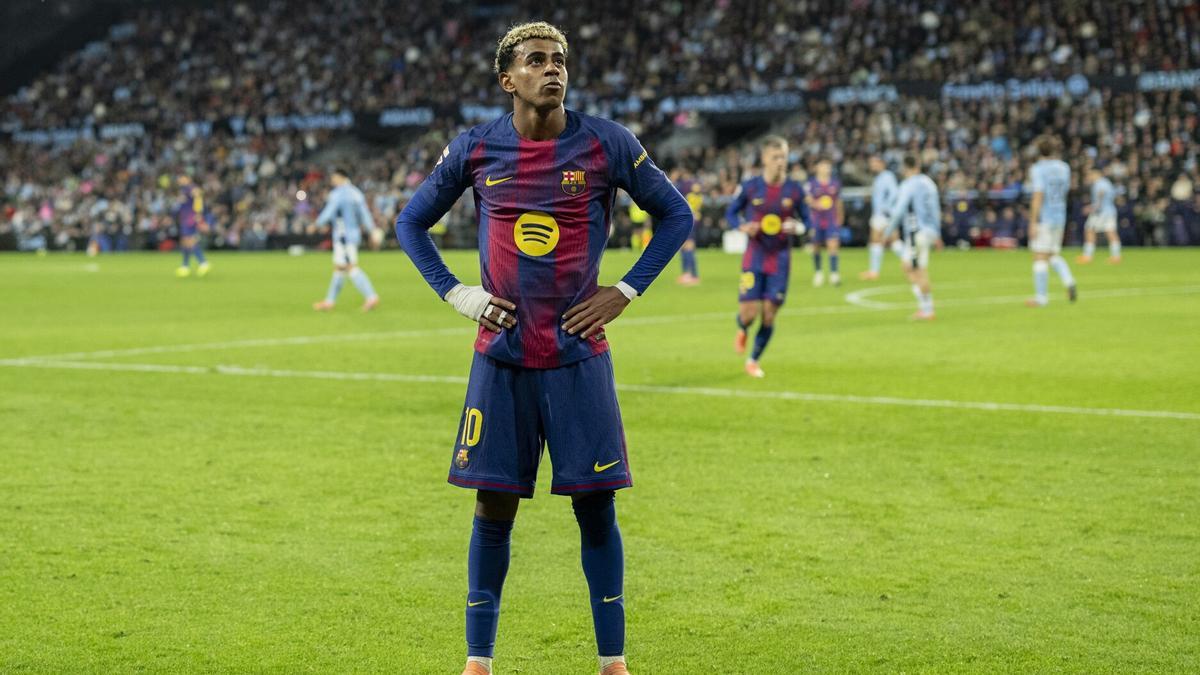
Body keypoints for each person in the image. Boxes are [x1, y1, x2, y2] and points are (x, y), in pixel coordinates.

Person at [394, 22, 690, 675]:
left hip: (579, 355)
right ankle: (479, 659)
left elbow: (677, 215)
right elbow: (410, 221)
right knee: (493, 504)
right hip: (501, 357)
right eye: (535, 60)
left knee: (596, 505)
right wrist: (457, 294)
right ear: (509, 79)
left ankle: (613, 661)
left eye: (558, 59)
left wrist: (627, 290)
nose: (551, 69)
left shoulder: (606, 143)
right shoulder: (476, 149)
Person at [725, 135, 807, 377]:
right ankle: (742, 328)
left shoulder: (794, 189)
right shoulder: (751, 187)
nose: (781, 161)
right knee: (749, 314)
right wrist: (742, 226)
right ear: (764, 159)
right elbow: (731, 213)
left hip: (780, 259)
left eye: (784, 156)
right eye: (775, 157)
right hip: (754, 256)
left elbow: (808, 221)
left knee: (770, 314)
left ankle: (753, 360)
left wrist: (798, 227)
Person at [311, 168, 383, 312]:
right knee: (339, 268)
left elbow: (329, 211)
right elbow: (365, 215)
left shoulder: (338, 194)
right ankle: (329, 301)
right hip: (352, 234)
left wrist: (316, 224)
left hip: (344, 236)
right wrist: (372, 230)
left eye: (334, 178)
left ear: (340, 177)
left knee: (351, 267)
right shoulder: (356, 193)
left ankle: (371, 297)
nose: (332, 181)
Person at [1026, 137, 1077, 307]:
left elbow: (1038, 195)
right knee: (1052, 254)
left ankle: (1041, 298)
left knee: (1039, 256)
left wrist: (1033, 222)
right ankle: (1069, 280)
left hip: (1045, 218)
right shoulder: (1064, 168)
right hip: (1060, 216)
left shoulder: (1038, 169)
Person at [888, 155, 941, 320]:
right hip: (929, 231)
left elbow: (899, 210)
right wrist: (937, 233)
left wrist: (887, 232)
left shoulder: (908, 184)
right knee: (908, 266)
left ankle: (927, 309)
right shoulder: (929, 183)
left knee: (918, 270)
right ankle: (925, 306)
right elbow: (935, 208)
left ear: (905, 168)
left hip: (917, 232)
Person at [805, 158, 843, 286]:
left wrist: (840, 217)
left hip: (831, 219)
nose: (826, 168)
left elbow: (838, 202)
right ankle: (818, 273)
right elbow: (807, 199)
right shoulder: (811, 183)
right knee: (816, 246)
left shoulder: (835, 183)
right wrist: (816, 204)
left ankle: (834, 274)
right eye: (823, 166)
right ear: (817, 168)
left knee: (833, 246)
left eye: (828, 166)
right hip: (816, 220)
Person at [860, 154, 898, 280]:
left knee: (876, 241)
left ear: (882, 163)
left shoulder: (887, 176)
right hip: (882, 214)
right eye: (871, 163)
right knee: (893, 242)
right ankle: (911, 263)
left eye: (875, 163)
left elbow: (894, 194)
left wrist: (885, 209)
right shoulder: (879, 178)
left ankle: (874, 272)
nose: (872, 166)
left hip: (884, 215)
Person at [1078, 167, 1121, 264]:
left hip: (1101, 213)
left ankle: (1087, 256)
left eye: (1090, 174)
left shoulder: (1099, 184)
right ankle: (1116, 256)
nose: (1089, 177)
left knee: (1089, 230)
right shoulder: (1107, 183)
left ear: (1096, 173)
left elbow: (1100, 196)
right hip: (1109, 211)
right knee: (1111, 232)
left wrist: (1092, 208)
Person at [173, 176, 211, 277]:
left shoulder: (191, 188)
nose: (179, 179)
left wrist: (198, 213)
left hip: (190, 218)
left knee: (189, 241)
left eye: (182, 177)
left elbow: (198, 196)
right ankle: (185, 266)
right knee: (185, 242)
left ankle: (203, 262)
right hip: (185, 218)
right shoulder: (183, 190)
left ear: (188, 178)